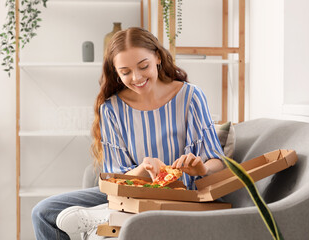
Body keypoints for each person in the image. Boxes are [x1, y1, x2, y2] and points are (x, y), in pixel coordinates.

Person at [32, 27, 225, 240]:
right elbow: (116, 177)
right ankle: (109, 213)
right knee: (42, 212)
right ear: (116, 72)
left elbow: (218, 161)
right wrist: (144, 169)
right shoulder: (111, 109)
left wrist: (202, 167)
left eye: (144, 66)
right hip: (129, 191)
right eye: (125, 72)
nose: (137, 77)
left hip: (178, 195)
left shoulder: (190, 97)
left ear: (158, 58)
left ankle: (106, 216)